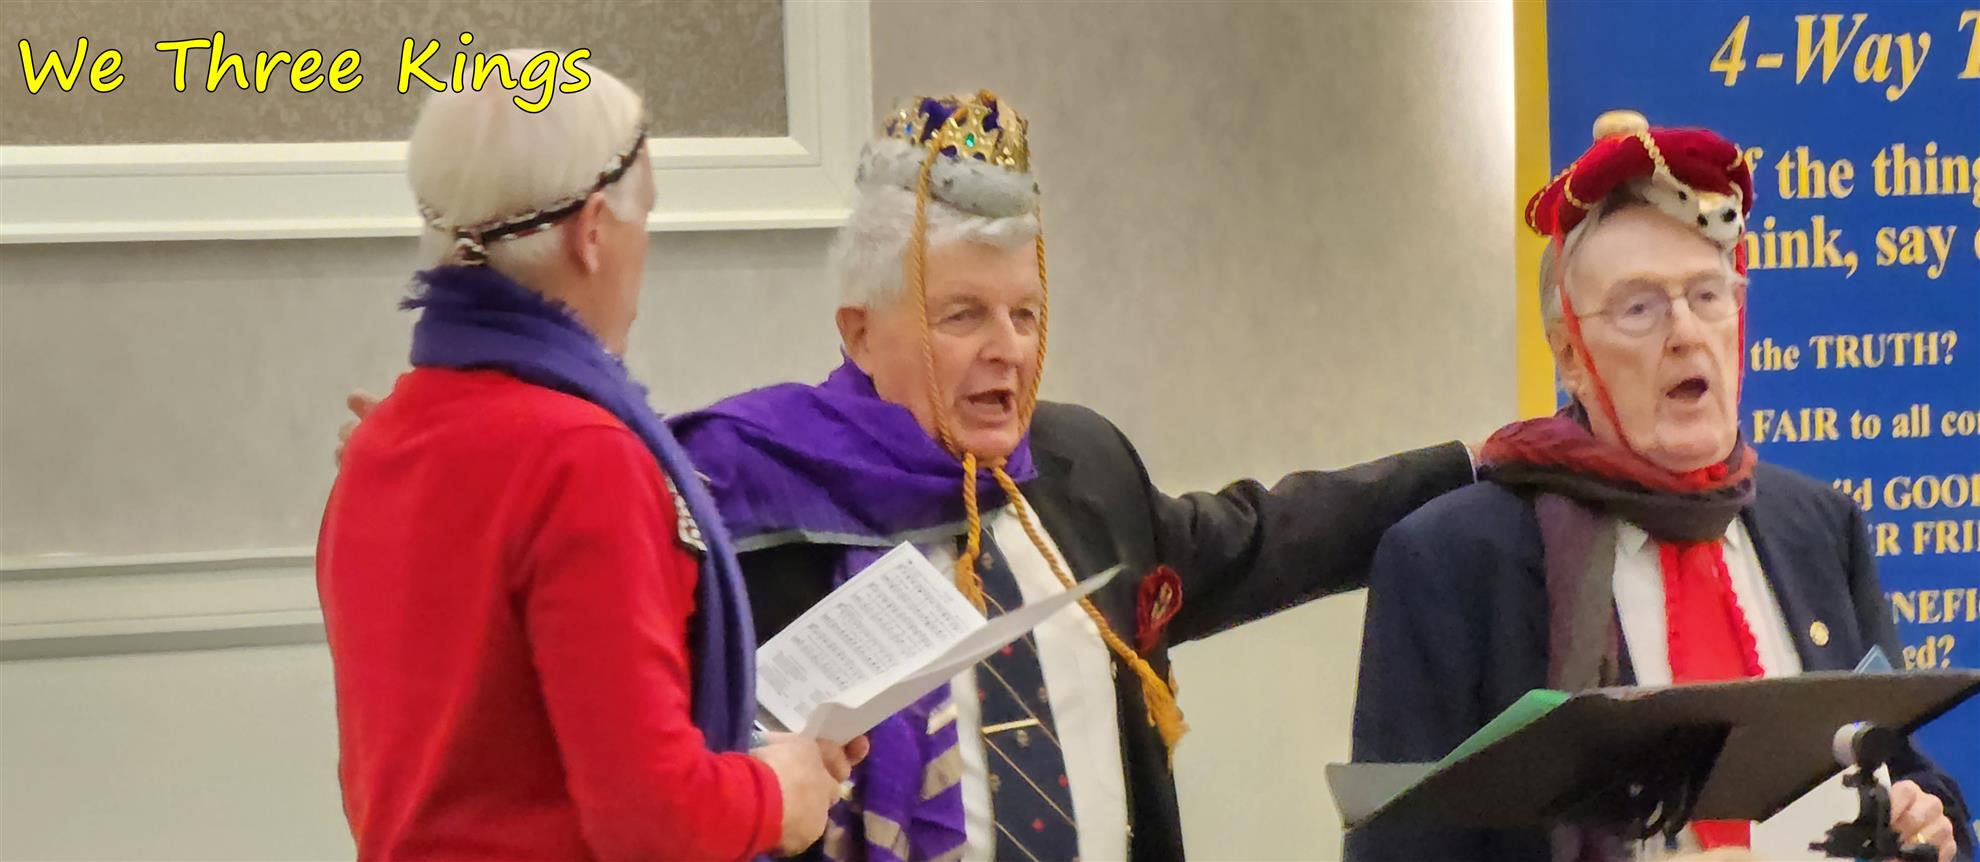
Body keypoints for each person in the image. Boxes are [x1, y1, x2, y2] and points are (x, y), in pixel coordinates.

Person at [343, 89, 1480, 861]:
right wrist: (456, 466)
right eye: (963, 316)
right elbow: (597, 755)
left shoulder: (1079, 464)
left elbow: (1257, 538)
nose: (1008, 351)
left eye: (1026, 314)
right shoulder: (734, 494)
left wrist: (1473, 468)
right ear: (859, 330)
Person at [1347, 111, 1973, 862]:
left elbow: (1900, 765)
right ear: (1570, 356)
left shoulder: (1819, 525)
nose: (1685, 332)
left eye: (1708, 295)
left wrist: (1928, 820)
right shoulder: (1451, 562)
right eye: (1639, 307)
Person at [317, 54, 860, 861]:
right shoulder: (584, 461)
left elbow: (489, 768)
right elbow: (652, 823)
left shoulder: (381, 443)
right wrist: (780, 793)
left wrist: (752, 763)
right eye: (648, 218)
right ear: (595, 231)